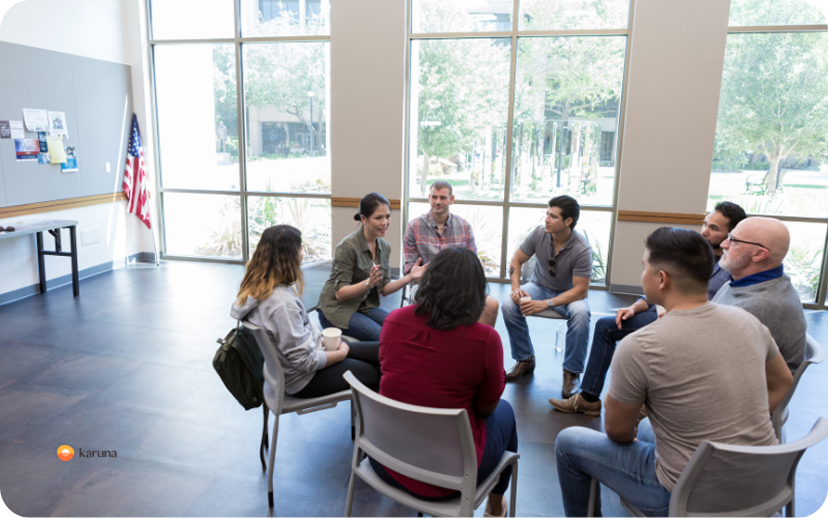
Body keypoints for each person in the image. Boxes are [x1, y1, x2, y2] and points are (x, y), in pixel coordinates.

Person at [555, 227, 793, 517]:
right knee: (645, 428)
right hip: (765, 486)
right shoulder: (748, 320)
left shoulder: (639, 346)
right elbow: (783, 382)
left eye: (644, 268)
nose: (642, 275)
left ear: (661, 279)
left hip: (688, 499)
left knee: (568, 443)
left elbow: (617, 431)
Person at [549, 201, 747, 415]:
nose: (705, 231)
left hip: (687, 323)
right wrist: (635, 307)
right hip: (662, 311)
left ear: (732, 235)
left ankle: (643, 408)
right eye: (705, 224)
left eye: (714, 228)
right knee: (607, 326)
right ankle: (589, 398)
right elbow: (661, 283)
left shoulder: (732, 269)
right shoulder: (693, 251)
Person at [372, 248, 517, 517]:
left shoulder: (393, 321)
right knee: (507, 413)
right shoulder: (485, 339)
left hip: (386, 459)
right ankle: (496, 507)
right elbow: (486, 408)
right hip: (449, 477)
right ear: (475, 291)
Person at [230, 225, 381, 398]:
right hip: (305, 379)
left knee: (382, 351)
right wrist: (341, 354)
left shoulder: (259, 290)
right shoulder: (282, 304)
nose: (303, 253)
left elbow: (293, 342)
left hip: (303, 362)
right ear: (290, 256)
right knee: (373, 372)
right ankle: (377, 419)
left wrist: (324, 343)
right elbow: (304, 362)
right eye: (301, 247)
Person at [501, 195, 592, 399]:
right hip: (539, 286)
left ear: (568, 221)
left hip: (569, 293)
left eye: (553, 216)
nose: (547, 220)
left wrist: (546, 304)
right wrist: (516, 288)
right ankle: (525, 359)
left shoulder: (581, 248)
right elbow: (516, 259)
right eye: (547, 214)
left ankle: (571, 372)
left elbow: (580, 291)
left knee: (581, 313)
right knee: (509, 305)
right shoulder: (538, 235)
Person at [317, 193, 425, 342]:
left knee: (400, 327)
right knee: (384, 337)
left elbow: (385, 289)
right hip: (337, 310)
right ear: (363, 219)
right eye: (378, 217)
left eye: (387, 216)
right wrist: (369, 283)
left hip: (362, 306)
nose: (385, 222)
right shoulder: (347, 247)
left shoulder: (384, 247)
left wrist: (410, 277)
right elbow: (340, 294)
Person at [713, 216, 807, 373]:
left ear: (758, 254)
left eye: (733, 240)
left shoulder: (760, 306)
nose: (724, 244)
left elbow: (718, 363)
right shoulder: (748, 282)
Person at [403, 180, 499, 326]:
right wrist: (419, 274)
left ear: (451, 200)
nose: (437, 201)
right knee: (431, 301)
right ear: (429, 198)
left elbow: (472, 263)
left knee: (490, 305)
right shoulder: (414, 227)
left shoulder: (464, 227)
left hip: (459, 286)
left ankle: (473, 343)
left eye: (442, 198)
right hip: (426, 285)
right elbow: (410, 267)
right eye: (434, 197)